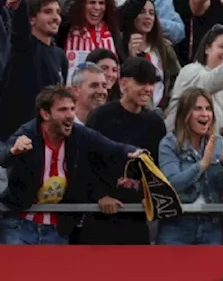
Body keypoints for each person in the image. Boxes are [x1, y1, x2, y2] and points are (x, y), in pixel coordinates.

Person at [0, 85, 143, 245]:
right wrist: (14, 150)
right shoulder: (28, 133)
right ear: (45, 114)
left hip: (57, 228)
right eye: (62, 110)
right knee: (17, 270)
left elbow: (112, 147)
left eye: (72, 109)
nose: (70, 116)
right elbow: (3, 156)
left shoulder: (79, 134)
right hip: (20, 225)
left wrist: (135, 152)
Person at [79, 57, 166, 245]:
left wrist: (149, 194)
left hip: (137, 217)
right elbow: (84, 162)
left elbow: (157, 166)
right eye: (142, 82)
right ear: (123, 83)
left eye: (151, 83)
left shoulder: (155, 123)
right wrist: (100, 195)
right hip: (99, 216)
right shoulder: (101, 117)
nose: (148, 89)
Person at [157, 88, 223, 245]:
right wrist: (202, 164)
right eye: (197, 108)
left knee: (211, 270)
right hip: (177, 226)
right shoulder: (169, 144)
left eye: (208, 109)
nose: (205, 114)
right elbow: (172, 183)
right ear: (184, 114)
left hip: (212, 226)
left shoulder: (220, 144)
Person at [1, 0, 69, 138]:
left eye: (58, 12)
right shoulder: (22, 46)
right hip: (16, 137)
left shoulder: (60, 56)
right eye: (48, 11)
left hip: (46, 137)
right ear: (31, 19)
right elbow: (20, 25)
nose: (56, 17)